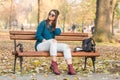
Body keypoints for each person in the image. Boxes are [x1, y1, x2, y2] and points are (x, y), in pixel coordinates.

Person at [35, 9, 76, 75]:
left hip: (52, 45)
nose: (50, 15)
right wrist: (46, 41)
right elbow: (37, 35)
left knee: (66, 46)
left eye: (53, 15)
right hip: (40, 45)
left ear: (55, 17)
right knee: (53, 41)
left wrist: (56, 23)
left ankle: (70, 67)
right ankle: (54, 64)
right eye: (49, 14)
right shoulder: (43, 23)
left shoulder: (54, 26)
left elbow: (58, 32)